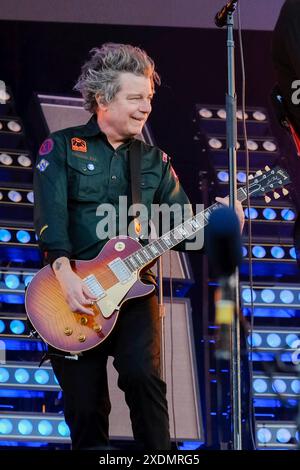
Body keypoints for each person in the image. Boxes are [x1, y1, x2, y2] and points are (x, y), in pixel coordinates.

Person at [34, 43, 244, 450]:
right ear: (102, 99)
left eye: (148, 97)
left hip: (134, 290)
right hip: (71, 292)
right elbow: (50, 218)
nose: (145, 106)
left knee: (143, 379)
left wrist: (222, 226)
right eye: (134, 98)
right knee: (85, 407)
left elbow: (184, 229)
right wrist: (65, 276)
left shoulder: (155, 162)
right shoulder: (59, 148)